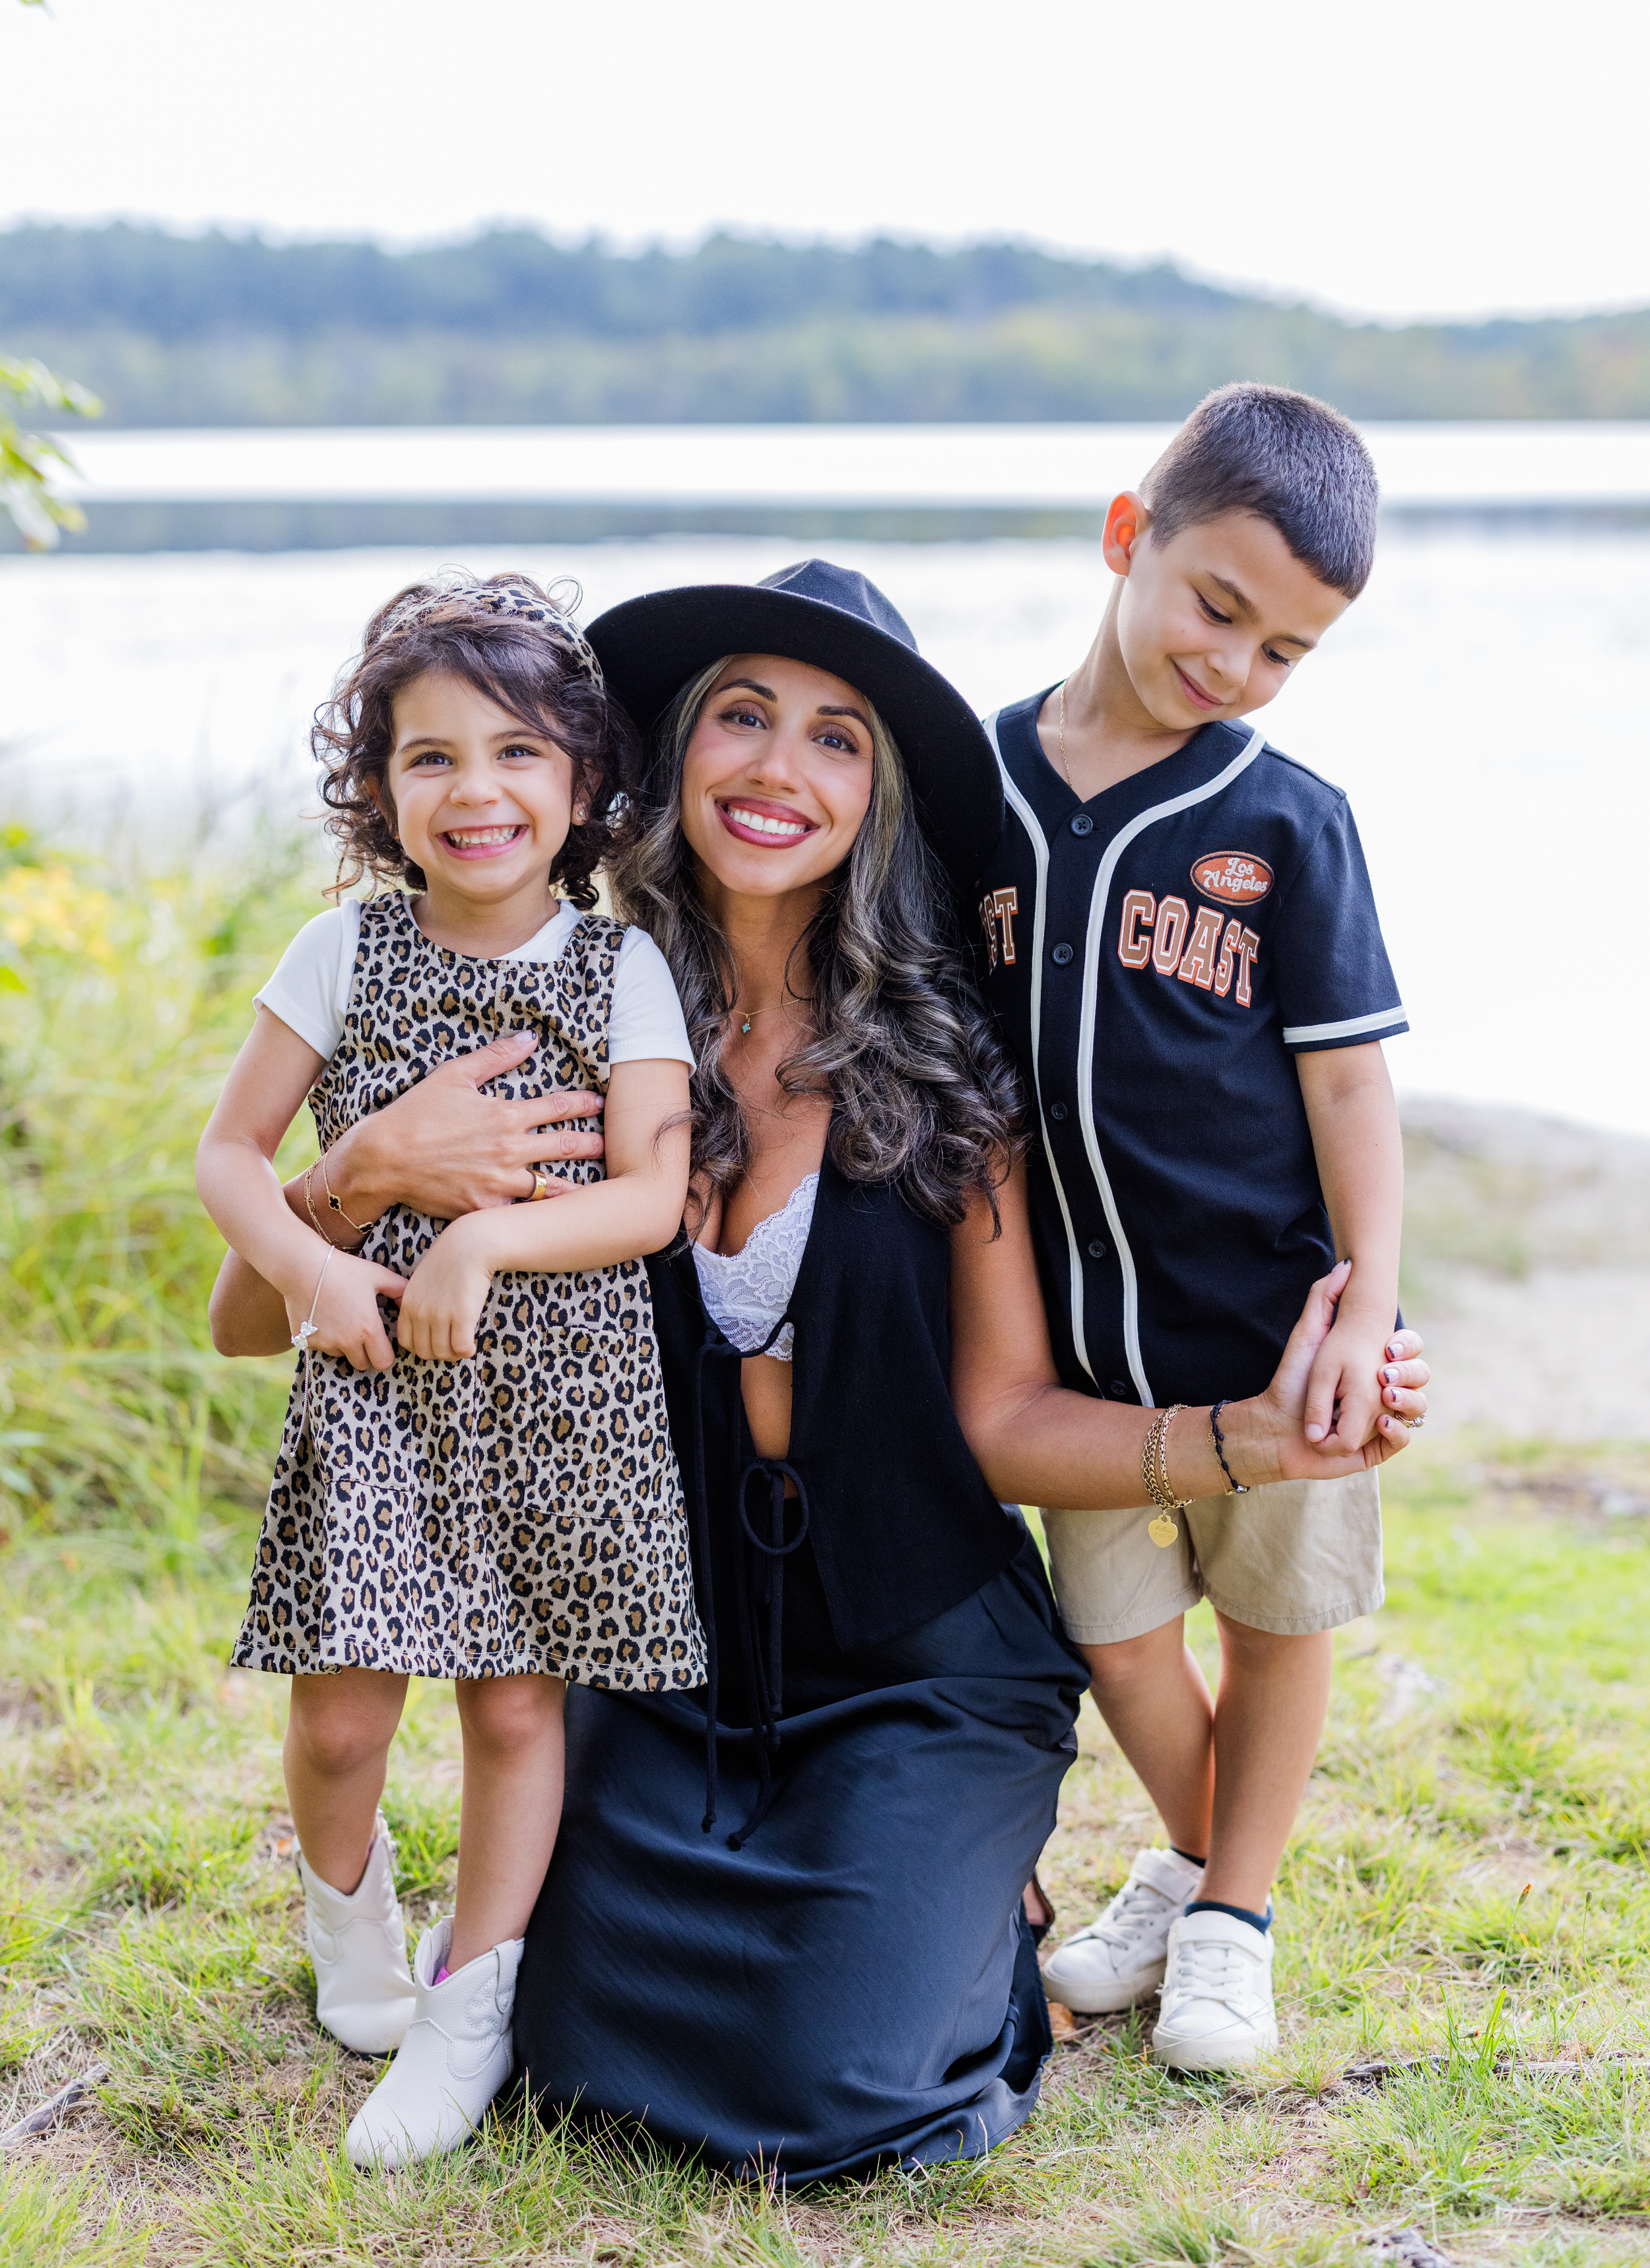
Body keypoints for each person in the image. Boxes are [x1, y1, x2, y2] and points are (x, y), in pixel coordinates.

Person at [209, 559, 1430, 2185]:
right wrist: (353, 1172)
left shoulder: (945, 1067)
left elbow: (997, 1421)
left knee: (827, 2079)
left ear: (881, 793)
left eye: (838, 738)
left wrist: (1246, 1442)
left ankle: (972, 1895)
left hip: (914, 1655)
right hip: (662, 1651)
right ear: (670, 753)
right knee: (576, 2046)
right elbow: (247, 1319)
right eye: (742, 717)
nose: (781, 770)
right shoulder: (576, 1006)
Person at [196, 573, 703, 2170]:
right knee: (342, 1715)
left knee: (512, 1707)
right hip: (374, 1396)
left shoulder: (619, 966)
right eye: (429, 759)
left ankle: (470, 2002)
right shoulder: (339, 947)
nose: (474, 791)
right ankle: (351, 1926)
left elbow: (648, 1194)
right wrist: (314, 1259)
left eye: (516, 755)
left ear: (581, 788)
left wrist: (484, 1246)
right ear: (378, 789)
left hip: (560, 1394)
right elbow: (227, 1156)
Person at [976, 384, 1410, 2070]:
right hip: (1080, 1355)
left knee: (1276, 1623)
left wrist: (1367, 1301)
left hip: (1272, 1327)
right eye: (1215, 607)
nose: (1232, 665)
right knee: (1114, 1633)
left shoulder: (1286, 821)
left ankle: (1229, 1917)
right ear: (1123, 540)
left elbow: (1351, 1093)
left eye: (1283, 649)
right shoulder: (981, 786)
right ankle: (1194, 1860)